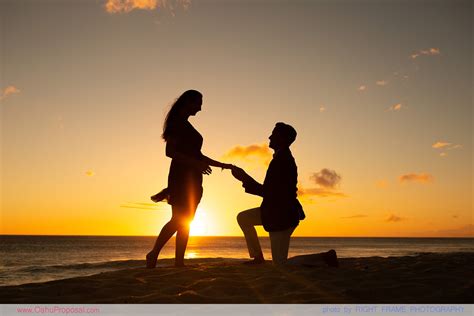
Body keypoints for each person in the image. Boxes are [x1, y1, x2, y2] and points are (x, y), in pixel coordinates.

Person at [146, 90, 233, 268]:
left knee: (187, 221)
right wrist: (196, 164)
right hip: (180, 178)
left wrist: (223, 165)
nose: (200, 108)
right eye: (198, 103)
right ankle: (153, 253)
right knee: (178, 220)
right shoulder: (176, 123)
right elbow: (170, 152)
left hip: (193, 179)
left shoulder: (185, 124)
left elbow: (198, 155)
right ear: (188, 102)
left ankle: (179, 262)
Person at [231, 122, 306, 265]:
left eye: (274, 134)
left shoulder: (283, 161)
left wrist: (244, 178)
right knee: (243, 218)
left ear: (282, 139)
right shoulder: (280, 158)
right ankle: (258, 257)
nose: (270, 137)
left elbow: (270, 192)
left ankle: (325, 258)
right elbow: (271, 192)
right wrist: (245, 178)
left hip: (282, 216)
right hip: (274, 212)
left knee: (280, 263)